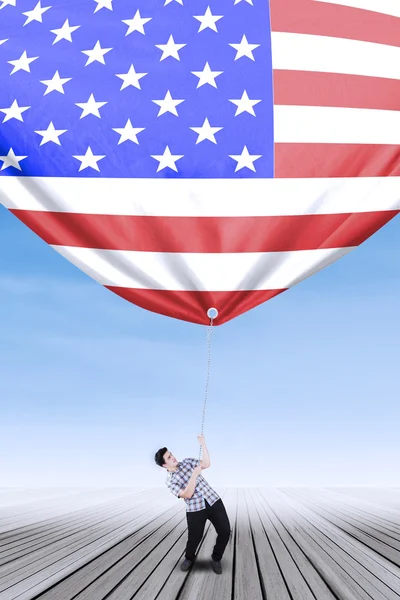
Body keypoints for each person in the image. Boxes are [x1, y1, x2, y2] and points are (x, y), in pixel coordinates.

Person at [154, 435, 231, 574]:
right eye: (169, 458)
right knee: (194, 539)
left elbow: (206, 464)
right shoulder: (170, 482)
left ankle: (216, 557)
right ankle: (189, 558)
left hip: (213, 500)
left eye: (171, 454)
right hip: (195, 509)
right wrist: (194, 475)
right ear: (164, 465)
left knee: (225, 531)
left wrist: (203, 444)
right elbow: (187, 494)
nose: (173, 457)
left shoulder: (188, 462)